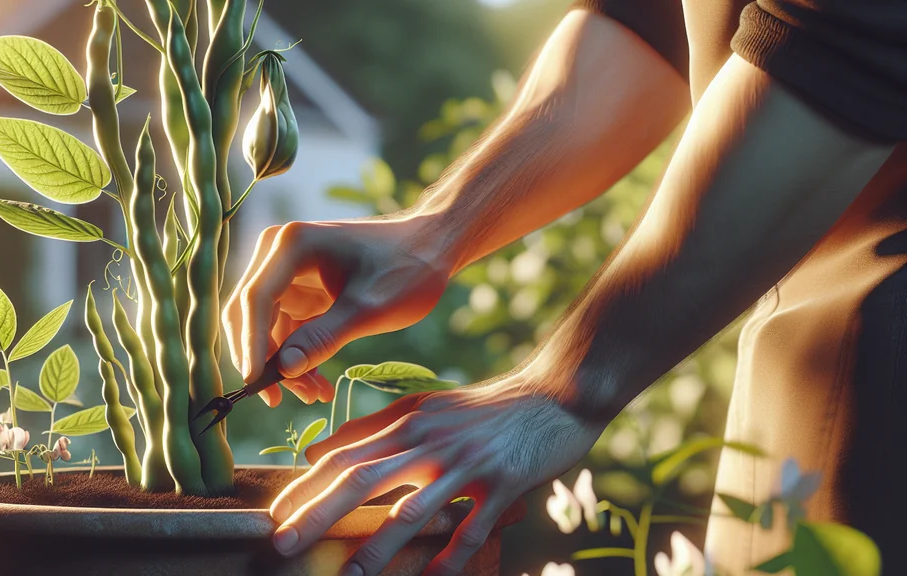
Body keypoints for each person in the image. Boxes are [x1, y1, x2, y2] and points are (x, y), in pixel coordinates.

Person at [223, 0, 907, 574]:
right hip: (804, 357)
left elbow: (844, 38)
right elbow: (652, 24)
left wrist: (565, 385)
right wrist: (440, 229)